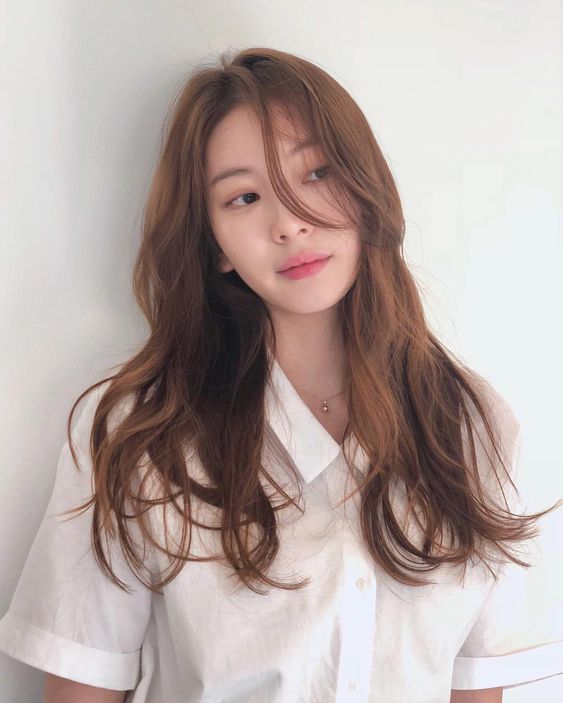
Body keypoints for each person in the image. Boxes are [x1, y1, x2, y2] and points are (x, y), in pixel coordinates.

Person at [0, 47, 561, 703]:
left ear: (366, 187)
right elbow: (82, 686)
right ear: (214, 244)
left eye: (316, 173)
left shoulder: (473, 425)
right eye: (243, 197)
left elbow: (477, 683)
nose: (289, 222)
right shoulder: (139, 431)